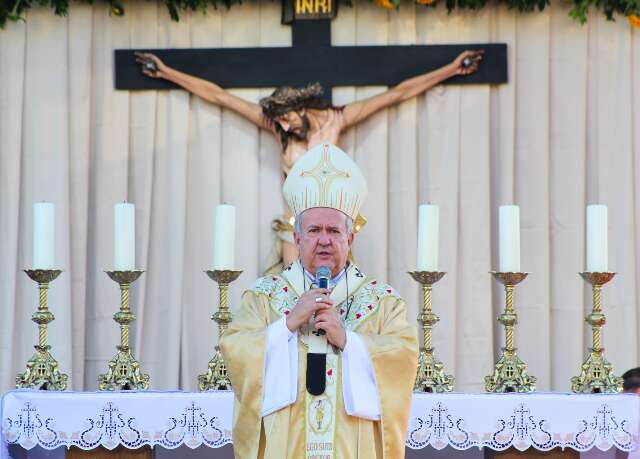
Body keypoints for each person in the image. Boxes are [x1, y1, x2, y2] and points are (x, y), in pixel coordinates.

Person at [134, 49, 483, 271]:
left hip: (335, 221)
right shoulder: (279, 127)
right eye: (279, 122)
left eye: (287, 119)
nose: (283, 126)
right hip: (296, 224)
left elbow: (397, 95)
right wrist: (166, 73)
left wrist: (450, 70)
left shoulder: (337, 119)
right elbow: (220, 97)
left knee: (340, 294)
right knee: (293, 291)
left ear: (301, 109)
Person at [219, 142, 418, 458]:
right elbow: (235, 349)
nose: (324, 240)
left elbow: (404, 357)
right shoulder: (264, 297)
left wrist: (349, 342)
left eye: (334, 231)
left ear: (349, 238)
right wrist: (286, 326)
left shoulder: (383, 302)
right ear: (296, 238)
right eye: (313, 230)